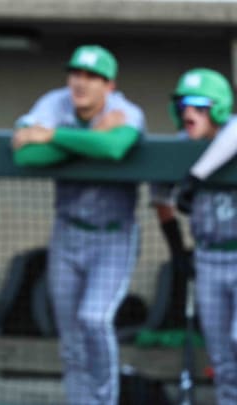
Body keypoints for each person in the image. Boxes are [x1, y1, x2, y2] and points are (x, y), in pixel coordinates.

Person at [11, 45, 145, 405]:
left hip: (113, 235)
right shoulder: (55, 103)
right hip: (67, 232)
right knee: (70, 341)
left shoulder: (125, 111)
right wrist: (90, 138)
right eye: (76, 74)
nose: (80, 83)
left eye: (91, 76)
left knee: (94, 320)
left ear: (109, 84)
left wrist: (54, 136)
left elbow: (115, 148)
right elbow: (26, 153)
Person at [168, 68, 237, 405]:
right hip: (208, 258)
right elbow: (160, 201)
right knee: (222, 360)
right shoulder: (177, 148)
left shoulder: (232, 133)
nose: (188, 113)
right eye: (183, 105)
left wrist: (196, 177)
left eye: (199, 105)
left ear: (220, 107)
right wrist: (177, 251)